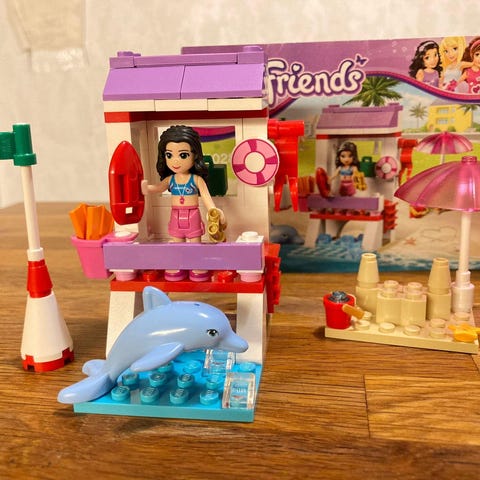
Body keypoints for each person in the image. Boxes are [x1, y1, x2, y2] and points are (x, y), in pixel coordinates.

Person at [142, 125, 225, 281]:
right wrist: (146, 188)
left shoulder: (196, 179)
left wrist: (214, 211)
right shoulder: (170, 179)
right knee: (178, 243)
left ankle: (196, 266)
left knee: (195, 244)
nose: (175, 161)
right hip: (175, 215)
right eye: (169, 155)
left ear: (195, 155)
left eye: (183, 155)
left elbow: (206, 197)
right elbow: (158, 188)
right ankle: (179, 265)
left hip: (192, 215)